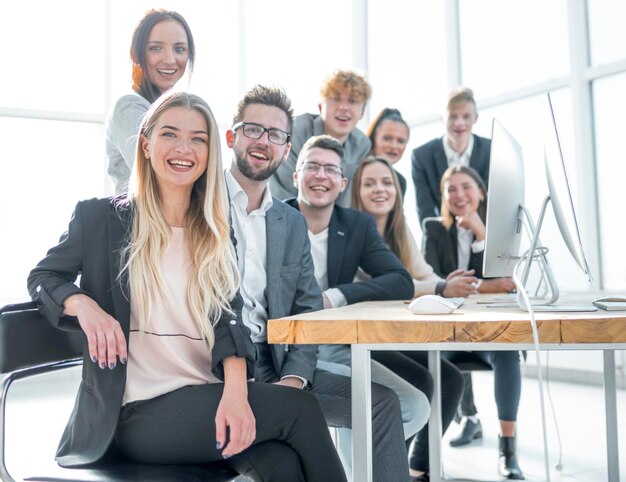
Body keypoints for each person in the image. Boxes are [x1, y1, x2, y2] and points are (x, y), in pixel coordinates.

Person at [27, 91, 346, 482]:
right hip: (135, 412)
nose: (184, 148)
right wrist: (85, 306)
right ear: (145, 143)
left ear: (211, 153)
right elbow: (43, 277)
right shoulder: (101, 219)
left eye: (198, 139)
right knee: (301, 410)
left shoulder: (212, 228)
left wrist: (236, 391)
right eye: (170, 134)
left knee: (284, 464)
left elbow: (229, 317)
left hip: (204, 396)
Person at [225, 85, 412, 482]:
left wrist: (296, 376)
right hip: (226, 365)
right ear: (232, 136)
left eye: (275, 134)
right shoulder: (204, 206)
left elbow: (307, 309)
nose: (264, 142)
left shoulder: (287, 222)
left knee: (385, 404)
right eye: (253, 130)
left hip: (279, 361)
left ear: (284, 146)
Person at [284, 135, 430, 477]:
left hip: (334, 341)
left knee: (415, 406)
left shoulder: (356, 226)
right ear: (296, 175)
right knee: (375, 407)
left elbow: (399, 279)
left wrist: (334, 296)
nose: (322, 175)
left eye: (331, 169)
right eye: (313, 167)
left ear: (342, 182)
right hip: (289, 348)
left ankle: (361, 471)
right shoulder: (275, 219)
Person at [351, 156, 472, 481]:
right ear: (356, 191)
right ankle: (390, 469)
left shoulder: (398, 229)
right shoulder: (352, 230)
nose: (380, 189)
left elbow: (422, 275)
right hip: (361, 339)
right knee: (424, 382)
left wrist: (446, 286)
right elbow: (384, 285)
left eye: (387, 182)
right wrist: (440, 287)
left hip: (391, 335)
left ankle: (416, 469)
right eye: (370, 183)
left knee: (450, 380)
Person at [424, 165, 524, 480]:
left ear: (481, 191)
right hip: (450, 333)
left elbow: (507, 283)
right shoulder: (434, 228)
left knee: (509, 353)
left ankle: (508, 449)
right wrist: (482, 285)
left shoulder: (503, 232)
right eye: (450, 189)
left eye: (466, 186)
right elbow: (433, 278)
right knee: (429, 359)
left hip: (491, 335)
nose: (459, 195)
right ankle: (426, 454)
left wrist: (481, 234)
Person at [107, 9, 195, 194]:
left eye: (179, 49)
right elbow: (157, 172)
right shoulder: (129, 107)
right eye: (156, 48)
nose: (170, 59)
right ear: (136, 54)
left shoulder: (183, 112)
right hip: (135, 221)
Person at [269, 69, 372, 207]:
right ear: (320, 106)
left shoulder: (361, 145)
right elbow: (283, 192)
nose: (343, 107)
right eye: (335, 98)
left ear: (362, 112)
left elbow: (348, 199)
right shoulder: (296, 130)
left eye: (352, 101)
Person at [411, 86, 491, 224]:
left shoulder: (491, 150)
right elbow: (426, 210)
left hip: (484, 231)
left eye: (466, 116)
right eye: (453, 116)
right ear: (442, 118)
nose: (459, 123)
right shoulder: (422, 156)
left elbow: (495, 202)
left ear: (475, 118)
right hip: (443, 236)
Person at [365, 108, 410, 197]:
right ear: (374, 138)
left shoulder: (400, 182)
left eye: (400, 141)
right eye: (387, 138)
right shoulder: (354, 171)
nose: (393, 146)